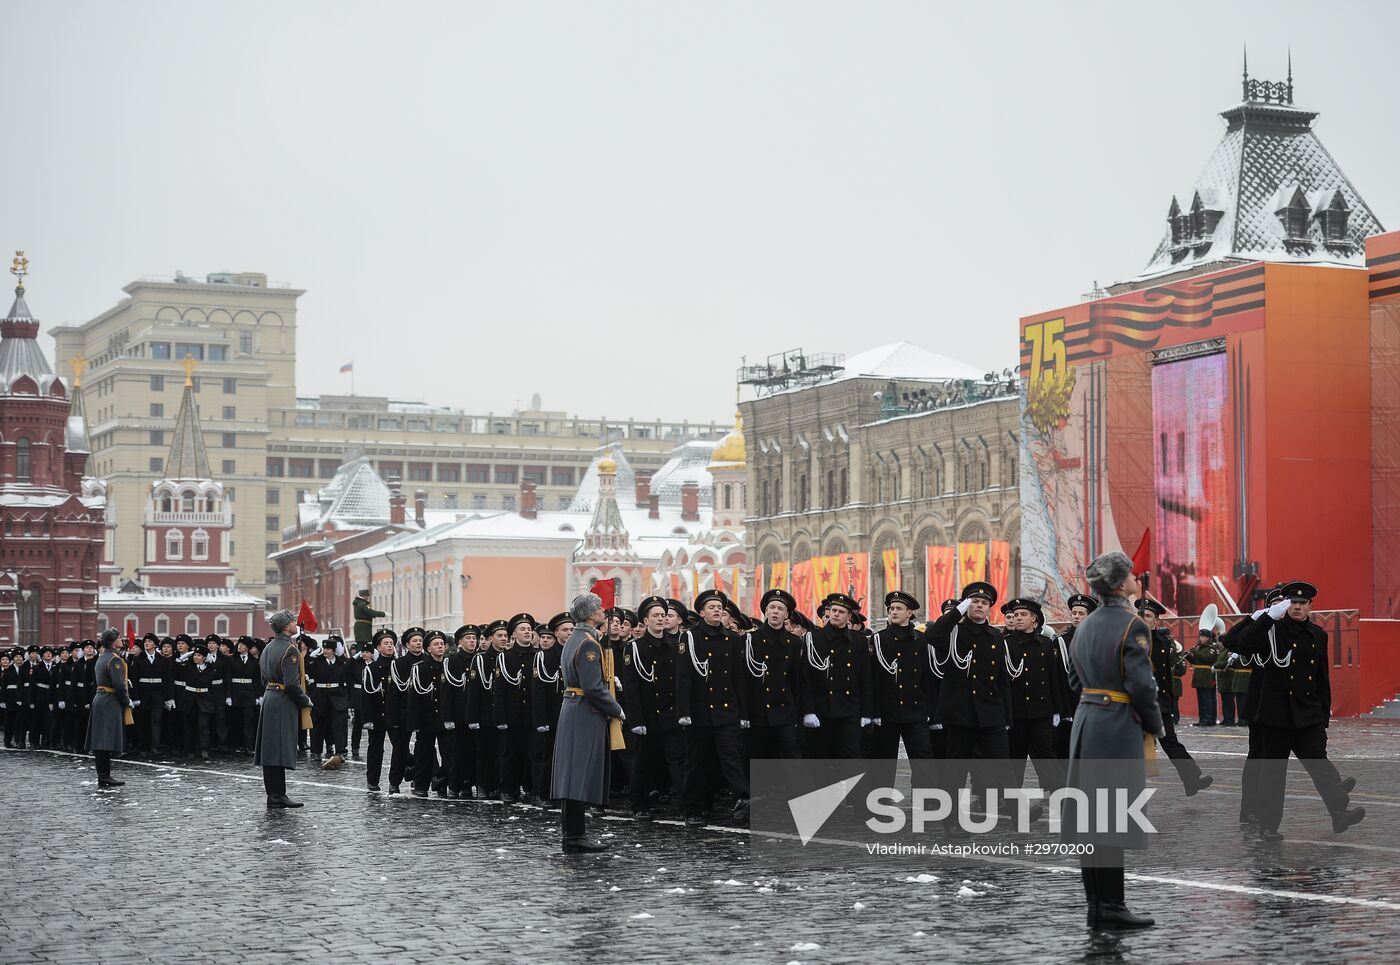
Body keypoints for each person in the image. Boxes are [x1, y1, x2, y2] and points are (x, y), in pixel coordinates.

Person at [1062, 550, 1161, 930]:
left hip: (1087, 724)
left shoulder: (1084, 626)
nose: (1137, 579)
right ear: (1122, 585)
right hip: (1116, 726)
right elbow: (1140, 684)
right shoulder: (1132, 624)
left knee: (1092, 820)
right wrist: (1155, 725)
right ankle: (1114, 907)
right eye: (1132, 575)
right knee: (1114, 817)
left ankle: (1097, 906)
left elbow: (1075, 681)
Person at [1225, 580, 1364, 841]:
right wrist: (1262, 618)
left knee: (1318, 763)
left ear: (1310, 606)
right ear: (1286, 605)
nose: (1298, 607)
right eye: (1293, 603)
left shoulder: (1318, 635)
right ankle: (1268, 825)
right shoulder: (1271, 630)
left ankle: (1339, 813)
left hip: (1307, 713)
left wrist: (1323, 718)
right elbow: (1238, 644)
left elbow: (1322, 678)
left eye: (1303, 603)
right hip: (1275, 715)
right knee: (1273, 774)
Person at [927, 582, 1012, 832]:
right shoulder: (953, 631)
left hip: (991, 712)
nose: (979, 606)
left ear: (989, 610)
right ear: (966, 605)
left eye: (984, 603)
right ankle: (951, 820)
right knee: (956, 770)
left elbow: (1002, 679)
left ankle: (1017, 808)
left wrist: (1007, 715)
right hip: (960, 712)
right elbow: (932, 635)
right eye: (974, 602)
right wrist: (957, 612)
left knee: (1003, 764)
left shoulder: (996, 636)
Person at [551, 592, 626, 853]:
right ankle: (575, 836)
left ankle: (572, 835)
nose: (604, 612)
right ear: (591, 614)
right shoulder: (589, 644)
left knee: (572, 774)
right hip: (585, 711)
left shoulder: (575, 639)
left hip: (573, 708)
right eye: (600, 609)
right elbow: (593, 688)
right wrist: (615, 708)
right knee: (578, 775)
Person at [675, 589, 751, 827]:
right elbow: (684, 678)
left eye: (720, 607)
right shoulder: (690, 637)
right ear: (701, 612)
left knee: (730, 757)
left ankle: (745, 796)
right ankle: (693, 810)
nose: (717, 610)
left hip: (726, 709)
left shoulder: (732, 638)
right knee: (697, 762)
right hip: (699, 712)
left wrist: (743, 713)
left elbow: (739, 679)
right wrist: (683, 712)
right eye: (712, 607)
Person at [1137, 598, 1213, 796]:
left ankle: (1191, 779)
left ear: (1156, 621)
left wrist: (1168, 701)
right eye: (1140, 615)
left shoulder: (1163, 642)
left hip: (1159, 703)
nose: (1143, 619)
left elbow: (1164, 675)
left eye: (1148, 616)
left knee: (1171, 741)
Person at [620, 599, 684, 819]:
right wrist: (636, 721)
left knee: (677, 762)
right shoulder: (635, 648)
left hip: (670, 714)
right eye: (655, 615)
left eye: (663, 615)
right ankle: (640, 805)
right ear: (645, 620)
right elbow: (631, 687)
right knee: (643, 763)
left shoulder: (675, 646)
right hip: (646, 717)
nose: (660, 618)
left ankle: (687, 806)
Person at [1002, 597, 1068, 794]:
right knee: (1015, 759)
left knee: (1046, 756)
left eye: (1023, 615)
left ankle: (1061, 795)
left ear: (1035, 620)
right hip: (1016, 713)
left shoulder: (1046, 645)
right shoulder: (1006, 644)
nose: (1018, 618)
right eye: (1015, 615)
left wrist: (1058, 710)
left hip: (1041, 712)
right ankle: (1013, 802)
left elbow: (1053, 680)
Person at [800, 592, 873, 760]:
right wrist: (808, 711)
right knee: (821, 758)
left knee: (852, 757)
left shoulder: (858, 641)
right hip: (821, 710)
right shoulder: (813, 638)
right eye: (833, 610)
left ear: (848, 616)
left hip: (849, 710)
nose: (836, 614)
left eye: (841, 612)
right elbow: (805, 678)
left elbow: (865, 678)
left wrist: (867, 712)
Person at [254, 609, 313, 809]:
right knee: (278, 750)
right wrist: (305, 700)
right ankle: (279, 795)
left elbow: (263, 678)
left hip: (269, 698)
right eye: (292, 621)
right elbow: (292, 684)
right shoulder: (290, 650)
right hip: (283, 701)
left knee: (270, 751)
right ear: (286, 626)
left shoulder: (267, 648)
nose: (295, 623)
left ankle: (274, 794)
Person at [742, 589, 805, 763]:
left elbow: (797, 680)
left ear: (786, 615)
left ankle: (799, 790)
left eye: (780, 609)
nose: (775, 611)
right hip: (758, 709)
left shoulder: (794, 643)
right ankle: (758, 790)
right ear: (766, 611)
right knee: (759, 754)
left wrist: (799, 711)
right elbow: (744, 680)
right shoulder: (750, 640)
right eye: (772, 607)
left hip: (785, 709)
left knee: (791, 753)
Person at [86, 628, 132, 788]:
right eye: (118, 637)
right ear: (113, 642)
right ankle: (104, 776)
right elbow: (119, 685)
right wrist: (126, 701)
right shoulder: (115, 659)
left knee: (100, 739)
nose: (121, 639)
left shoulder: (102, 657)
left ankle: (103, 775)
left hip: (100, 698)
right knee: (105, 740)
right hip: (109, 700)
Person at [409, 630, 452, 798]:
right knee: (424, 755)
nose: (440, 646)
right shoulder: (420, 668)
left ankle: (442, 782)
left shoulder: (448, 666)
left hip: (445, 718)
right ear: (428, 649)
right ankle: (421, 785)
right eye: (436, 644)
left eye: (442, 643)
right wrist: (414, 723)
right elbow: (414, 698)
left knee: (448, 754)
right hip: (426, 719)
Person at [531, 617, 568, 805]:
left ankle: (566, 793)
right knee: (548, 756)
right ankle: (543, 793)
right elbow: (538, 691)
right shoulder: (544, 656)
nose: (569, 633)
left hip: (571, 714)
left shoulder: (576, 652)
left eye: (571, 629)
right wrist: (541, 720)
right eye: (564, 630)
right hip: (552, 713)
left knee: (569, 756)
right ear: (556, 633)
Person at [442, 625, 478, 798]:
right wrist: (447, 717)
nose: (472, 641)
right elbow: (447, 692)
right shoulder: (452, 661)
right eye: (468, 638)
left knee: (473, 752)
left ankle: (469, 784)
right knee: (457, 752)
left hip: (475, 715)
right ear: (460, 642)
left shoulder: (479, 659)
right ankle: (454, 785)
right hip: (458, 715)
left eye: (474, 638)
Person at [360, 628, 398, 792]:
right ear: (378, 648)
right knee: (376, 749)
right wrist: (367, 719)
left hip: (396, 714)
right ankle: (373, 780)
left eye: (391, 643)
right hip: (377, 714)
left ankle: (394, 782)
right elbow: (366, 696)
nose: (389, 646)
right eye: (386, 643)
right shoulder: (372, 668)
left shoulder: (399, 665)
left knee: (400, 748)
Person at [309, 635, 353, 768]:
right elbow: (309, 678)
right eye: (324, 648)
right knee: (318, 725)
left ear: (334, 650)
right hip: (320, 696)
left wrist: (345, 698)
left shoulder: (342, 663)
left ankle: (341, 750)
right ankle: (316, 750)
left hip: (337, 697)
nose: (326, 651)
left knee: (339, 725)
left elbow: (346, 682)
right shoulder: (316, 662)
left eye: (328, 649)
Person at [1186, 607, 1225, 727]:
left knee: (1208, 699)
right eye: (1200, 636)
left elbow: (1207, 659)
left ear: (1208, 637)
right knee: (1201, 699)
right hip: (1199, 676)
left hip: (1207, 676)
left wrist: (1195, 652)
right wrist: (1188, 656)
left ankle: (1209, 719)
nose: (1200, 639)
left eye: (1202, 637)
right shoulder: (1200, 648)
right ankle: (1203, 718)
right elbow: (1197, 661)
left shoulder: (1212, 648)